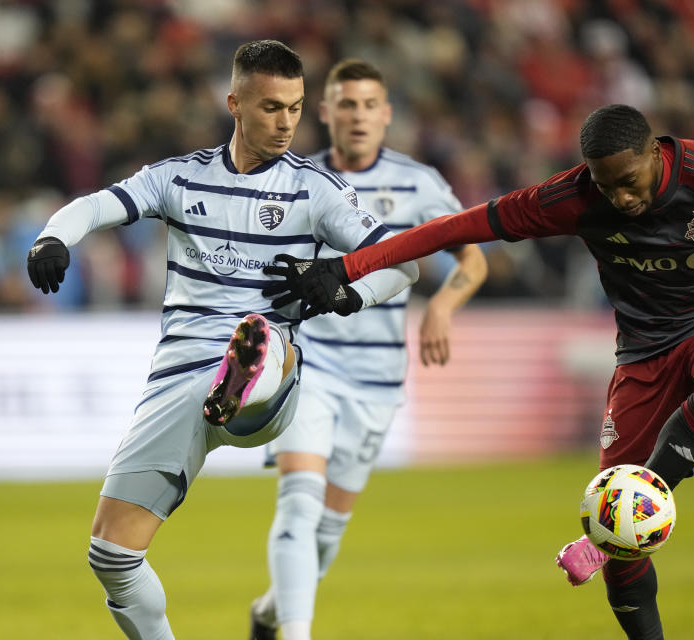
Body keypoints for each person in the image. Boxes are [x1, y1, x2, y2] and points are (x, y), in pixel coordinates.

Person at [261, 104, 694, 640]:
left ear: (654, 154)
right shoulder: (575, 196)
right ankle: (629, 554)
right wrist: (345, 268)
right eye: (604, 183)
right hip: (643, 353)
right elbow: (455, 227)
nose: (619, 196)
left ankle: (646, 494)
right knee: (623, 554)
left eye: (629, 180)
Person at [24, 40, 419, 640]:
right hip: (178, 383)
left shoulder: (317, 191)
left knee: (262, 334)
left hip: (270, 382)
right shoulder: (178, 178)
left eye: (295, 107)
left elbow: (401, 264)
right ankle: (235, 375)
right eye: (270, 108)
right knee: (111, 557)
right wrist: (52, 238)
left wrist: (344, 289)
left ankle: (247, 368)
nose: (286, 122)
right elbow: (95, 206)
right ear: (234, 103)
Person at [248, 59, 487, 640]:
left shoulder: (419, 183)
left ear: (386, 115)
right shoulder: (294, 179)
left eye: (368, 105)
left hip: (376, 379)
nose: (357, 116)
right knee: (299, 504)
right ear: (325, 112)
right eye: (345, 104)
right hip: (307, 364)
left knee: (326, 535)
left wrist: (442, 306)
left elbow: (472, 257)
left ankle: (269, 614)